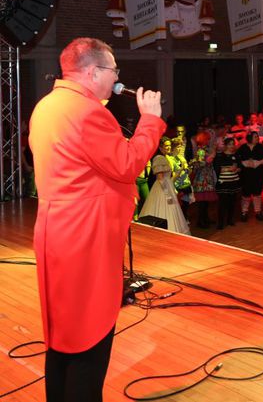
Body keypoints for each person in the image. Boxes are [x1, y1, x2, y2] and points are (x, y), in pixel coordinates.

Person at [29, 37, 164, 401]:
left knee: (62, 338)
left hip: (57, 233)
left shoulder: (47, 106)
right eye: (113, 70)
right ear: (92, 72)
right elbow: (127, 164)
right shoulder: (87, 113)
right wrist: (150, 121)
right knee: (90, 338)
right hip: (85, 239)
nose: (117, 77)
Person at [139, 155, 191, 235]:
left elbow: (169, 179)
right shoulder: (159, 158)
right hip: (162, 189)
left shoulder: (167, 158)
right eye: (166, 147)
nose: (168, 148)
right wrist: (167, 194)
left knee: (172, 210)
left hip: (167, 187)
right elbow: (160, 179)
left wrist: (180, 170)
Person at [237, 131, 263, 221]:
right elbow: (238, 158)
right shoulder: (243, 147)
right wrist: (244, 163)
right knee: (245, 194)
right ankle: (244, 212)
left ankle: (258, 212)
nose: (257, 138)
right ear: (250, 138)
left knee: (257, 193)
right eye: (255, 137)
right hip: (245, 174)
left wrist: (259, 162)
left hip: (258, 174)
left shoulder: (261, 147)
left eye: (257, 136)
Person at [214, 138, 241, 229]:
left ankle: (230, 220)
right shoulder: (220, 156)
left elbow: (240, 167)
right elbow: (217, 169)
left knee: (232, 202)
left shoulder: (236, 156)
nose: (231, 146)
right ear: (225, 145)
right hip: (223, 183)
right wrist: (229, 169)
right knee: (222, 203)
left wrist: (237, 169)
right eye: (229, 144)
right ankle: (220, 223)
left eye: (233, 144)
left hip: (233, 182)